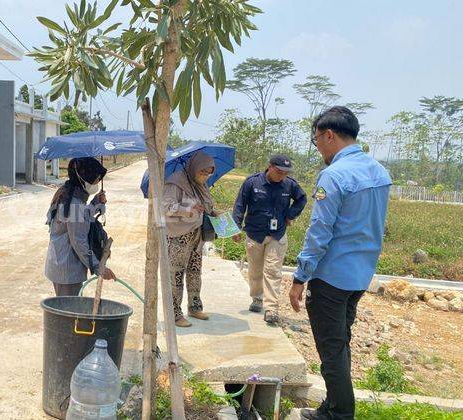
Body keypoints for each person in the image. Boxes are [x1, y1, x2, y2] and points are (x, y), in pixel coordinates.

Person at [289, 106, 392, 420]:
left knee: (332, 349)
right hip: (359, 276)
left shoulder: (334, 174)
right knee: (340, 343)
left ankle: (339, 414)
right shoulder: (379, 171)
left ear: (329, 135)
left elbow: (320, 231)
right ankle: (332, 405)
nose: (317, 146)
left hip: (331, 277)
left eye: (316, 140)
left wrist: (299, 276)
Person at [232, 155, 307, 325]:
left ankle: (271, 308)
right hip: (255, 233)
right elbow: (239, 205)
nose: (282, 176)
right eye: (279, 171)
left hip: (277, 235)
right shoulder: (252, 182)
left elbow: (302, 199)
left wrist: (290, 214)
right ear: (270, 167)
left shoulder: (290, 184)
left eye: (285, 173)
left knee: (273, 271)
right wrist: (235, 227)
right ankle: (257, 298)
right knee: (255, 270)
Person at [45, 157, 116, 296]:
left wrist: (95, 203)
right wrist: (98, 267)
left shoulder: (68, 192)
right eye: (96, 179)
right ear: (85, 178)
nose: (97, 183)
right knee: (68, 312)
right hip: (67, 269)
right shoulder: (75, 203)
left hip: (61, 264)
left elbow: (78, 219)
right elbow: (79, 240)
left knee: (67, 310)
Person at [163, 151, 218, 327]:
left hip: (197, 236)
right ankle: (174, 313)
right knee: (176, 273)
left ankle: (194, 306)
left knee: (195, 271)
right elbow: (165, 207)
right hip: (179, 235)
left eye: (209, 173)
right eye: (203, 172)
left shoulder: (201, 185)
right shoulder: (176, 181)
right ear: (195, 167)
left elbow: (208, 207)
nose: (206, 176)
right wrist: (188, 208)